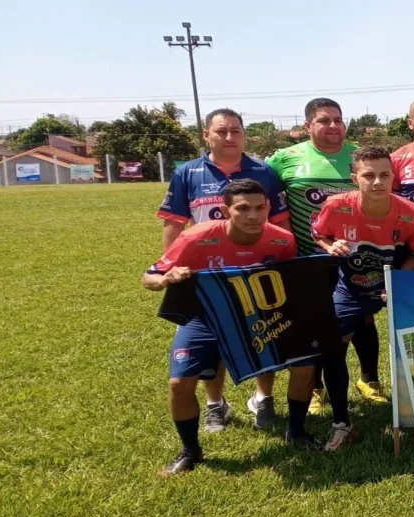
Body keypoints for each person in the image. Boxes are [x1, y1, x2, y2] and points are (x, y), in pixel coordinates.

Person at [143, 179, 321, 475]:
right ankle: (190, 451)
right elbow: (148, 277)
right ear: (225, 211)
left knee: (304, 366)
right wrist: (165, 279)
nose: (253, 216)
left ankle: (297, 431)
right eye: (243, 208)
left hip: (259, 316)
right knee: (179, 384)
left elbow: (289, 281)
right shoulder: (196, 237)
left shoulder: (282, 241)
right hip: (205, 317)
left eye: (260, 208)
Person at [155, 108, 288, 433]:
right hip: (207, 276)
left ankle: (263, 398)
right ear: (206, 135)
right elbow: (174, 223)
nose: (230, 137)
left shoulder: (264, 172)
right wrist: (172, 269)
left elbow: (280, 222)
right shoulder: (187, 172)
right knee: (211, 344)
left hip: (255, 272)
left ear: (244, 135)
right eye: (221, 131)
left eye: (236, 131)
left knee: (263, 335)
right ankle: (216, 404)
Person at [311, 146, 414, 451]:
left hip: (397, 285)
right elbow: (320, 235)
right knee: (332, 347)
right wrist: (330, 246)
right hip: (350, 290)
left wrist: (398, 281)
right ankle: (342, 423)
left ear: (393, 176)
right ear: (355, 178)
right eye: (369, 175)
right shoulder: (336, 206)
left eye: (384, 175)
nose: (377, 182)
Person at [266, 98, 362, 412]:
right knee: (310, 326)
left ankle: (369, 380)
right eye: (324, 120)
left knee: (359, 322)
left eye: (338, 119)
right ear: (308, 125)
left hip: (354, 259)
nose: (333, 126)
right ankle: (316, 389)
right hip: (306, 260)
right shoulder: (284, 159)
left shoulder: (359, 156)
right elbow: (261, 199)